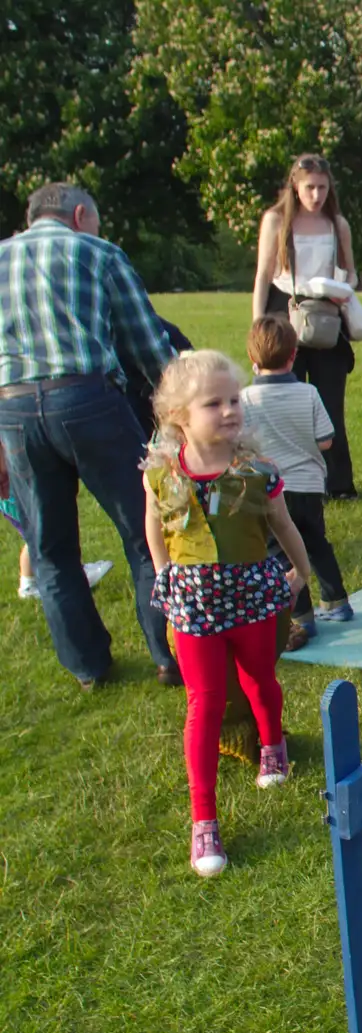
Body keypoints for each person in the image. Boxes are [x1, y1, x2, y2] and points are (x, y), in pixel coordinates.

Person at [0, 182, 179, 689]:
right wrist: (179, 408)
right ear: (81, 215)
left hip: (11, 409)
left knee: (50, 548)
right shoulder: (96, 252)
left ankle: (87, 666)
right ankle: (167, 651)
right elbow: (146, 343)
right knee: (144, 530)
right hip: (86, 399)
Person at [143, 351, 313, 877]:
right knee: (205, 701)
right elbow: (153, 523)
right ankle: (204, 820)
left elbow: (284, 527)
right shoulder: (161, 476)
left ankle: (272, 743)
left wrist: (301, 573)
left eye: (234, 399)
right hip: (194, 604)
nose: (229, 410)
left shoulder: (257, 472)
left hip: (253, 597)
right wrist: (164, 570)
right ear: (179, 417)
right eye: (212, 403)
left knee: (260, 678)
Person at [240, 314, 352, 651]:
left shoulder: (245, 399)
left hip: (271, 490)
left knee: (282, 553)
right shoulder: (309, 392)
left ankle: (302, 617)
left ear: (251, 358)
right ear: (293, 356)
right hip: (310, 485)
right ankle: (337, 601)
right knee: (317, 542)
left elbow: (242, 445)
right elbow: (326, 440)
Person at [252, 153, 360, 499]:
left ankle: (338, 483)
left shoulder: (337, 225)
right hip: (285, 311)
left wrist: (341, 287)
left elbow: (352, 271)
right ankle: (289, 479)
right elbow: (264, 275)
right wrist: (258, 326)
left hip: (327, 315)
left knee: (330, 403)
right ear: (295, 188)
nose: (316, 196)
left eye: (323, 188)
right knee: (286, 397)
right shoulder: (275, 221)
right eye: (310, 188)